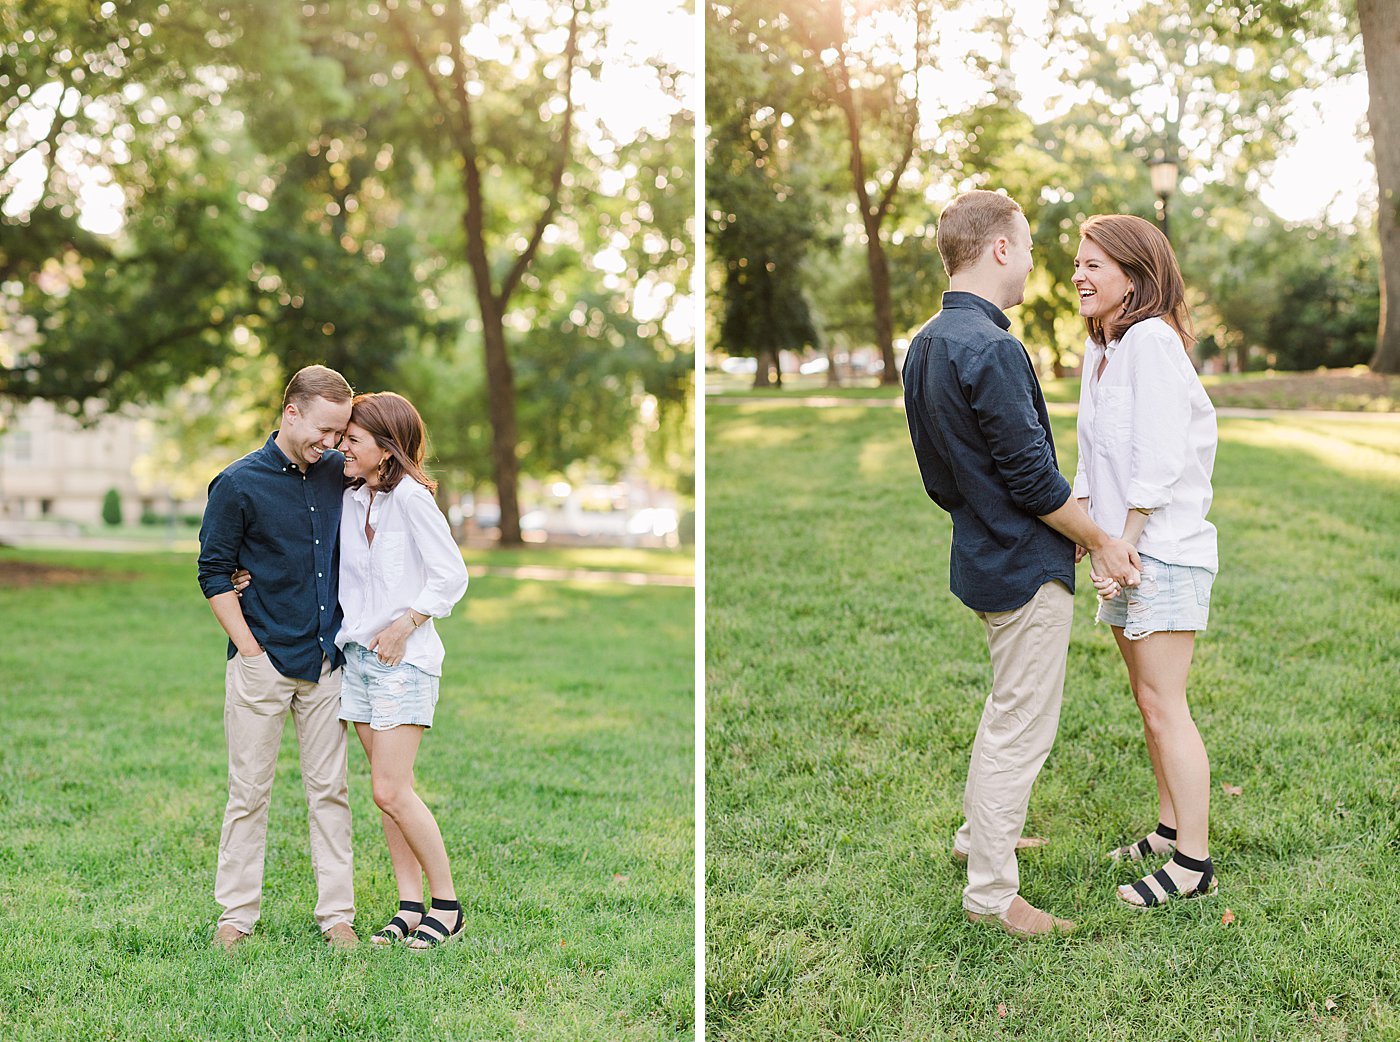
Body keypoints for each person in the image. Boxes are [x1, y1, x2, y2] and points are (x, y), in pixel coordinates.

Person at [903, 189, 1141, 938]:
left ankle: (981, 835)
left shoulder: (926, 343)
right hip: (1021, 566)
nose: (1038, 261)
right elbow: (1036, 482)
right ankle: (991, 896)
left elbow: (944, 477)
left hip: (978, 552)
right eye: (1032, 245)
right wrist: (1100, 536)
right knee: (1019, 727)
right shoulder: (994, 349)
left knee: (1006, 708)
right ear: (1000, 248)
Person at [238, 391, 469, 948]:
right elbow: (304, 546)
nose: (342, 447)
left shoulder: (412, 498)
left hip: (402, 660)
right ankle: (408, 906)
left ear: (385, 450)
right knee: (386, 791)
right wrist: (248, 575)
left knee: (392, 791)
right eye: (341, 437)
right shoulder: (349, 495)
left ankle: (448, 906)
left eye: (353, 440)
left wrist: (405, 623)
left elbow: (451, 576)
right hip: (356, 660)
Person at [1071, 214, 1219, 907]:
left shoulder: (1153, 342)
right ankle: (1167, 828)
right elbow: (1092, 456)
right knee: (1145, 701)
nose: (1079, 274)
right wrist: (1087, 527)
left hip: (1161, 549)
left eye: (1095, 263)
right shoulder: (1103, 353)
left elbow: (1157, 457)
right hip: (1122, 548)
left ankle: (1192, 861)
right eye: (1077, 262)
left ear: (1134, 276)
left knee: (1166, 703)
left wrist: (1122, 536)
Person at [196, 364, 359, 952]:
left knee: (331, 792)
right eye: (324, 430)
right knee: (249, 793)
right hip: (261, 661)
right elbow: (214, 574)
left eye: (340, 433)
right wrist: (249, 649)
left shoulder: (340, 474)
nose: (332, 443)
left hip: (325, 662)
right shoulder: (237, 484)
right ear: (290, 413)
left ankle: (337, 915)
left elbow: (390, 484)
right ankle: (235, 917)